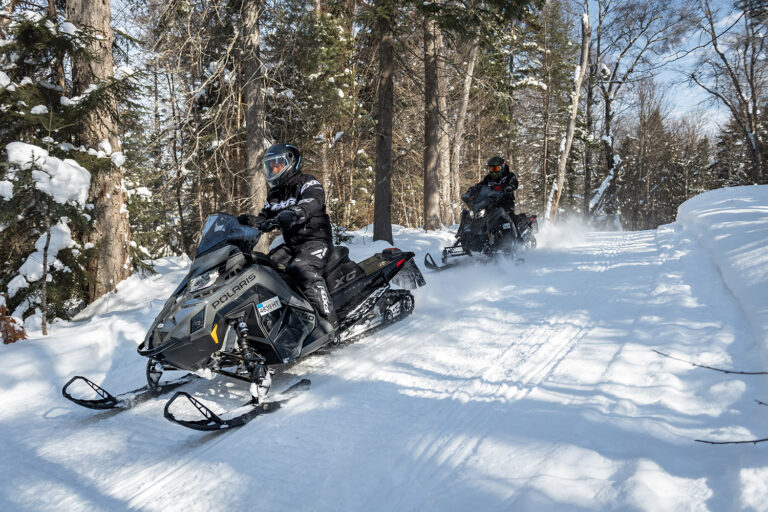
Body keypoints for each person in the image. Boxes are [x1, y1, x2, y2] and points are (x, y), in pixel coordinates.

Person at [237, 143, 338, 329]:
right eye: (270, 166)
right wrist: (248, 222)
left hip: (316, 241)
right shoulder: (275, 194)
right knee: (263, 270)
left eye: (278, 165)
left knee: (301, 269)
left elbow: (313, 201)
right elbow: (264, 218)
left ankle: (330, 325)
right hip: (292, 245)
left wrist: (296, 212)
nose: (274, 169)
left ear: (291, 163)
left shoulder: (308, 182)